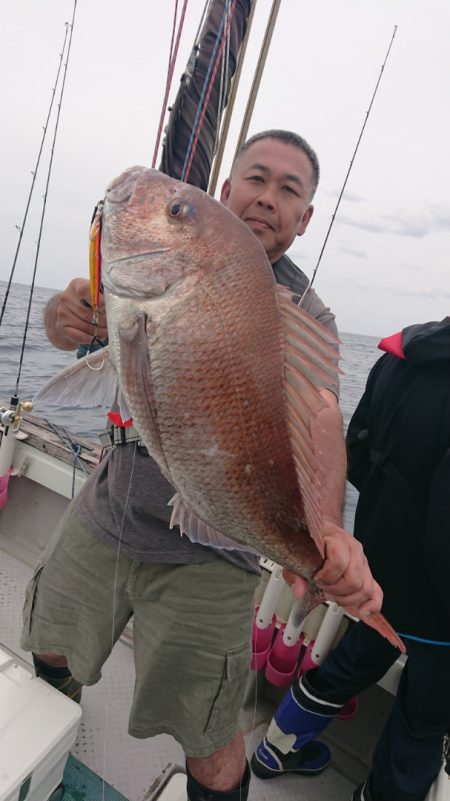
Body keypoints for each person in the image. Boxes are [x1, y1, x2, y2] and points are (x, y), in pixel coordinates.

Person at [20, 3, 382, 801]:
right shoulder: (150, 275)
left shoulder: (309, 319)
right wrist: (72, 310)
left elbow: (321, 426)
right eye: (255, 178)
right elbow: (61, 333)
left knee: (211, 741)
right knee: (48, 651)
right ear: (224, 189)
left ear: (305, 216)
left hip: (214, 558)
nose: (268, 196)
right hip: (110, 510)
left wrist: (323, 539)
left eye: (289, 190)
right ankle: (40, 759)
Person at [251, 317, 450, 801]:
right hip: (439, 609)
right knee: (421, 724)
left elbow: (356, 454)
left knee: (345, 669)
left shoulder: (403, 353)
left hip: (376, 576)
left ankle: (274, 750)